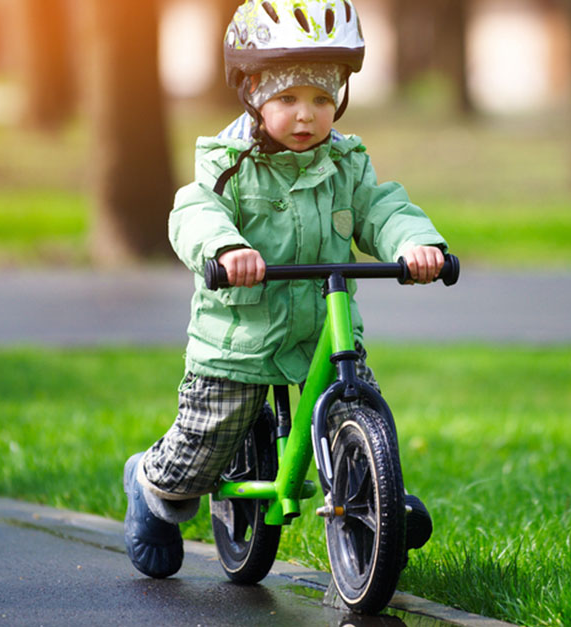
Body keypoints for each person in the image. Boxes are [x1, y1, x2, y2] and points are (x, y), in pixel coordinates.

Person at [123, 0, 445, 578]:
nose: (307, 116)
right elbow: (194, 211)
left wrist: (416, 244)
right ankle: (151, 482)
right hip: (240, 338)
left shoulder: (345, 162)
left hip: (324, 331)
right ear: (251, 92)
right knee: (202, 449)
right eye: (289, 98)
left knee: (359, 406)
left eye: (323, 99)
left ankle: (374, 495)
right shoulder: (229, 161)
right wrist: (226, 249)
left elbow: (382, 208)